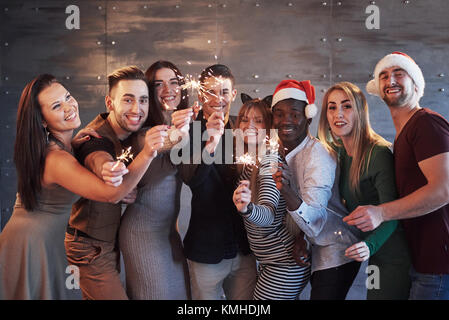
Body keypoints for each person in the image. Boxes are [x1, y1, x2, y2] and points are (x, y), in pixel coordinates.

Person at [0, 73, 166, 299]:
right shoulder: (56, 158)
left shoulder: (63, 147)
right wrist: (147, 152)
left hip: (47, 240)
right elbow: (111, 194)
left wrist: (76, 147)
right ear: (42, 120)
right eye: (57, 105)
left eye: (68, 97)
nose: (69, 107)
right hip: (31, 243)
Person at [344, 51, 449, 300]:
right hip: (421, 261)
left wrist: (381, 212)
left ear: (415, 83)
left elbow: (444, 189)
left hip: (439, 265)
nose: (390, 81)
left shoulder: (426, 124)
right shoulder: (403, 135)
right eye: (384, 76)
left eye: (398, 74)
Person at [64, 66, 168, 300]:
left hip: (107, 242)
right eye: (128, 100)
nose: (137, 109)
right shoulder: (94, 138)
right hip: (89, 247)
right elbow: (99, 159)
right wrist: (110, 172)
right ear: (110, 103)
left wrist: (126, 187)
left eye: (143, 100)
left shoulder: (130, 133)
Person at [171, 64, 257, 300]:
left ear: (234, 94)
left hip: (245, 249)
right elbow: (191, 179)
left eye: (224, 92)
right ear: (200, 94)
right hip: (206, 251)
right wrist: (211, 142)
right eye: (210, 92)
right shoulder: (187, 129)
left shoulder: (245, 126)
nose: (218, 99)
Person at [318, 81, 411, 299]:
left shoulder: (378, 153)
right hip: (372, 255)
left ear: (360, 111)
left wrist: (370, 245)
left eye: (346, 106)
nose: (338, 114)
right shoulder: (338, 153)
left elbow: (393, 213)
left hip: (393, 254)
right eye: (332, 107)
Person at [271, 79, 363, 300]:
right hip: (312, 247)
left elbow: (316, 222)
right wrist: (300, 238)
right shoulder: (278, 151)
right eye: (279, 114)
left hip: (337, 250)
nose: (286, 121)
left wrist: (286, 192)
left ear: (308, 117)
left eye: (294, 113)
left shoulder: (318, 155)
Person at [119, 61, 191, 299]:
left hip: (168, 233)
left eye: (173, 82)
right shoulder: (146, 132)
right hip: (142, 232)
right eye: (158, 84)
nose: (168, 89)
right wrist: (185, 130)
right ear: (149, 92)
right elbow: (170, 141)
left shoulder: (179, 126)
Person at [232, 96, 311, 300]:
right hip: (270, 261)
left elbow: (267, 215)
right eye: (244, 119)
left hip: (284, 263)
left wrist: (246, 208)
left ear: (268, 126)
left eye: (258, 121)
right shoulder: (250, 159)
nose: (249, 125)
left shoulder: (268, 160)